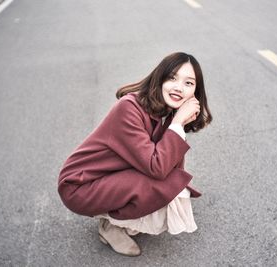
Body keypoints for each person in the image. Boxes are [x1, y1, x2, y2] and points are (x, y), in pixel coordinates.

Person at [58, 52, 212, 256]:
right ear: (160, 78)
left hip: (110, 176)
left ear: (195, 92)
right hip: (80, 186)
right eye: (172, 78)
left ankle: (123, 218)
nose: (178, 87)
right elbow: (157, 168)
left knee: (172, 186)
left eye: (188, 83)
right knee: (164, 185)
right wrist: (177, 124)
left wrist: (178, 124)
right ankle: (111, 226)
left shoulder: (166, 111)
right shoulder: (129, 108)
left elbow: (171, 167)